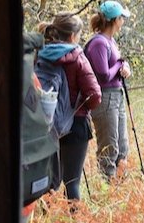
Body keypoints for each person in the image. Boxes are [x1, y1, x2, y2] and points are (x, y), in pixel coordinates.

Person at [36, 13, 102, 202]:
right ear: (73, 36)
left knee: (50, 182)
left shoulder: (40, 54)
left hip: (47, 125)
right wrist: (82, 105)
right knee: (72, 182)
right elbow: (95, 95)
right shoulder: (77, 58)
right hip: (76, 125)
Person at [84, 0, 133, 183]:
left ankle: (119, 185)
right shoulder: (98, 43)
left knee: (122, 146)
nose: (123, 21)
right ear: (115, 20)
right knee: (109, 146)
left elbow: (116, 68)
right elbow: (103, 75)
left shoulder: (110, 41)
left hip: (116, 96)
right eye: (122, 17)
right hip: (104, 99)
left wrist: (124, 66)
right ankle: (108, 188)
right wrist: (120, 64)